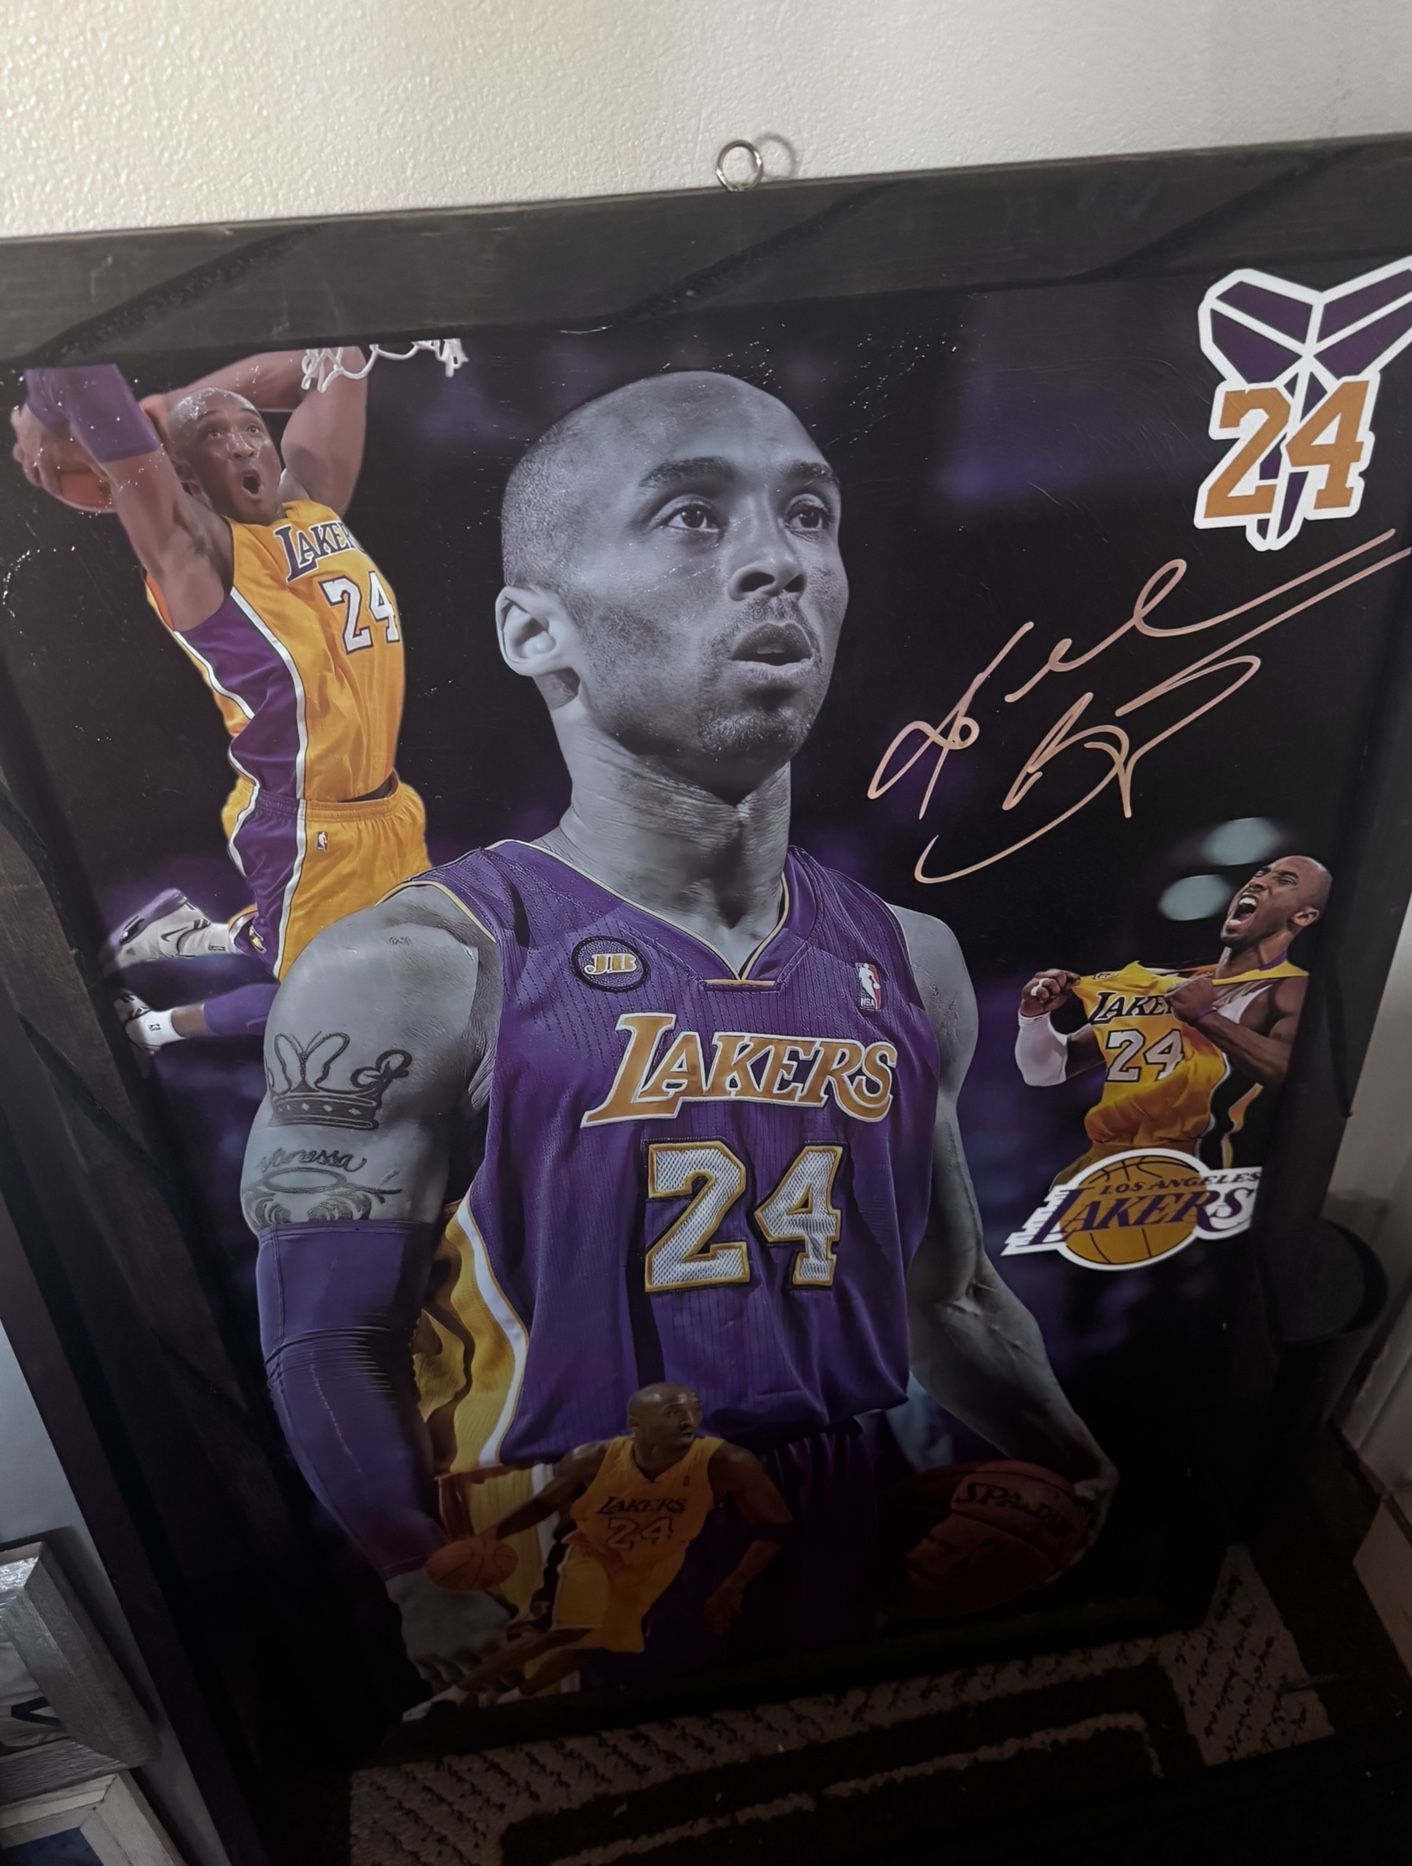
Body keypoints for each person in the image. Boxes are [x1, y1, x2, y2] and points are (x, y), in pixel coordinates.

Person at [239, 369, 1117, 1692]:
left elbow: (945, 1294)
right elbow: (326, 1337)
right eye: (695, 517)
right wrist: (414, 1573)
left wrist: (1077, 1465)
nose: (779, 561)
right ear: (535, 630)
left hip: (843, 1520)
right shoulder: (413, 966)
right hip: (559, 1559)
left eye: (808, 514)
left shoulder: (908, 958)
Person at [10, 351, 428, 1050]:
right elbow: (75, 369)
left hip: (388, 805)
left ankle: (186, 933)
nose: (242, 443)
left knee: (414, 971)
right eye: (214, 437)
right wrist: (47, 418)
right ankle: (152, 1029)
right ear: (179, 474)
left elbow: (339, 363)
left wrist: (177, 404)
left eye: (253, 429)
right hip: (307, 830)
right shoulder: (191, 555)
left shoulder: (312, 505)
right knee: (335, 1006)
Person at [451, 1382, 792, 1701]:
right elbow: (543, 1504)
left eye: (694, 1409)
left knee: (593, 1643)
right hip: (590, 1551)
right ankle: (454, 1696)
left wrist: (733, 1586)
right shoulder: (593, 1460)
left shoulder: (727, 1462)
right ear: (636, 1424)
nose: (689, 1420)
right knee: (564, 1629)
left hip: (651, 1563)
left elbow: (774, 1526)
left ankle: (517, 1700)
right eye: (673, 1412)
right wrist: (494, 1532)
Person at [1016, 855, 1330, 1180]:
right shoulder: (1158, 984)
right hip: (1098, 1171)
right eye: (1261, 873)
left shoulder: (1290, 987)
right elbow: (1046, 1071)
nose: (1259, 881)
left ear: (1303, 915)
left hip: (1191, 1173)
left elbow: (1291, 1072)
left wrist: (1205, 1016)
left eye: (1284, 880)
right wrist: (1035, 1018)